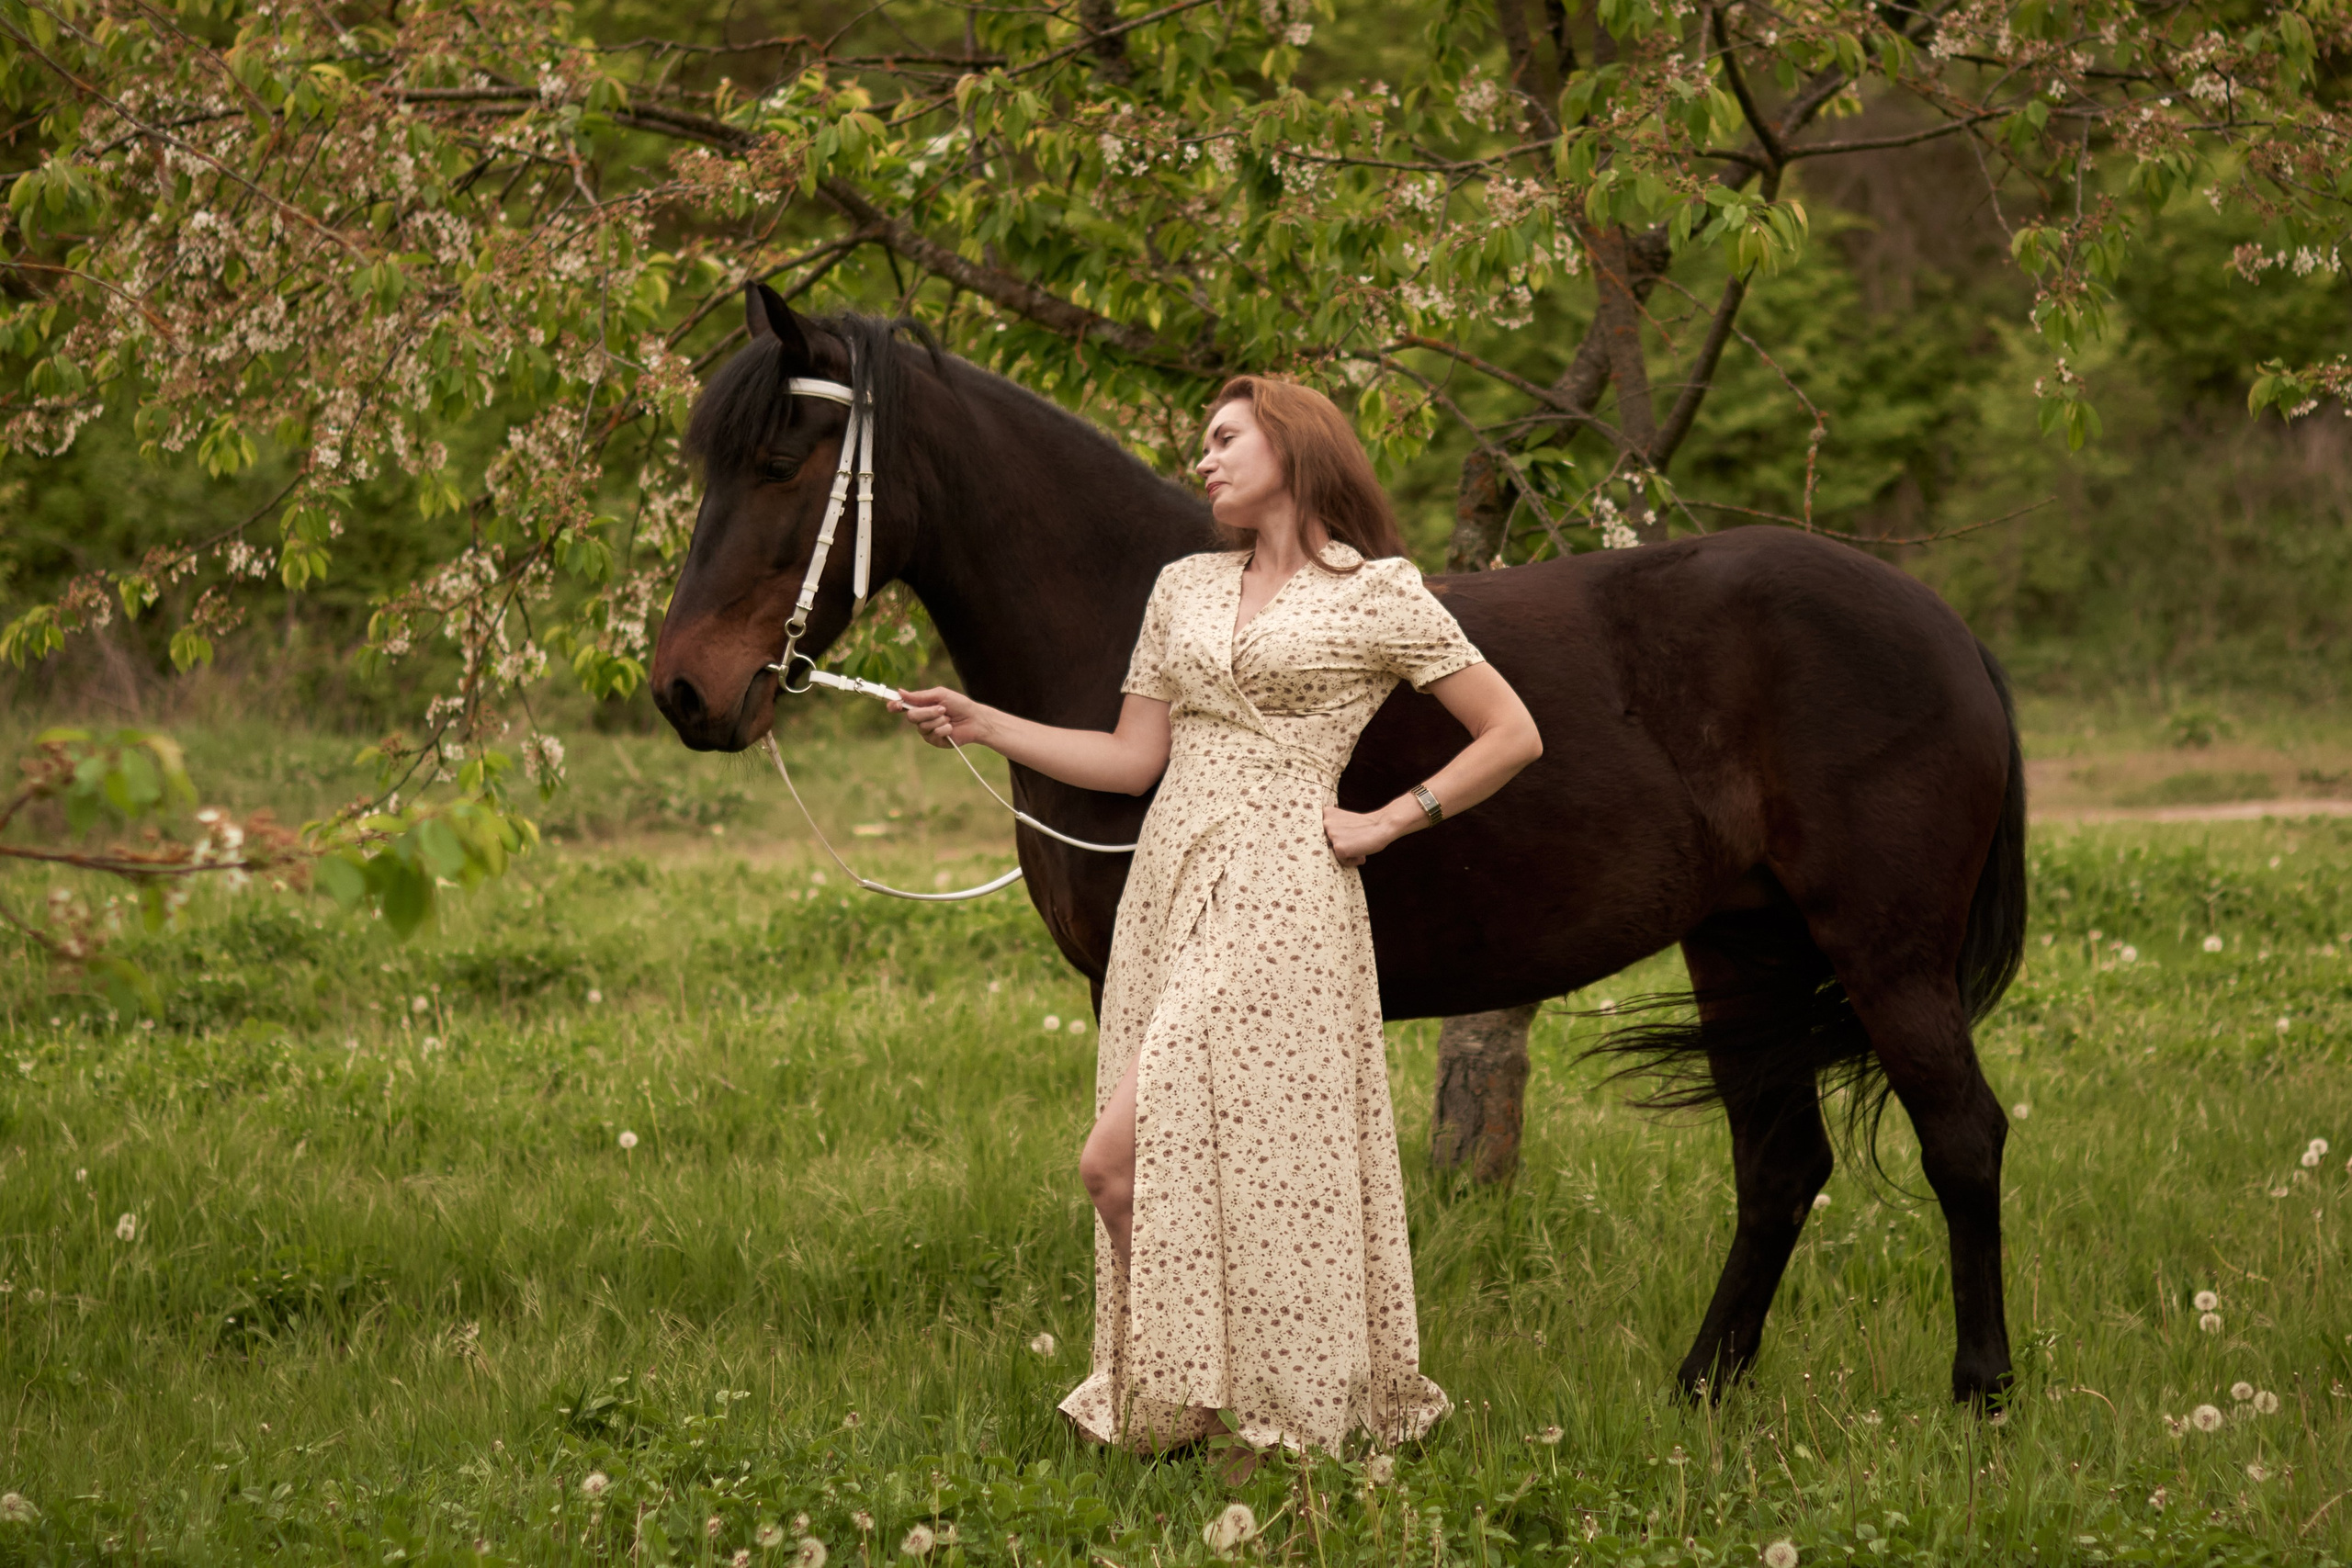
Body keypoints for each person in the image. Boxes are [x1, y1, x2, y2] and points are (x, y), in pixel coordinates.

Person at [888, 377, 1543, 1462]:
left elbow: (1511, 733)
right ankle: (1202, 1407)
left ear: (1294, 445)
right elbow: (1130, 759)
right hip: (1169, 884)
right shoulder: (1184, 587)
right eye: (1203, 443)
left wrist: (1387, 821)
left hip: (1284, 891)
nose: (1204, 460)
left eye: (1226, 438)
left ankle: (1270, 1410)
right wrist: (984, 723)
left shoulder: (1379, 595)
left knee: (1124, 1162)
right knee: (1187, 1157)